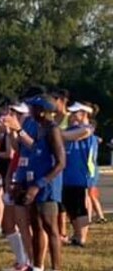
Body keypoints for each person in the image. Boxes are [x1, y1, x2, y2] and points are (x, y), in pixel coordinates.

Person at [3, 96, 66, 271]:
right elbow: (32, 152)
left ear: (41, 110)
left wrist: (38, 184)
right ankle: (37, 269)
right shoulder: (36, 128)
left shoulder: (52, 129)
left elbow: (61, 162)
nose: (29, 110)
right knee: (36, 226)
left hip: (46, 186)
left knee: (50, 228)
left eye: (32, 107)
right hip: (32, 183)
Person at [61, 102, 97, 247]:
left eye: (75, 113)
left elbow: (72, 135)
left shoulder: (88, 129)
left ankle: (81, 237)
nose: (72, 115)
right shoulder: (72, 129)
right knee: (70, 206)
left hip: (80, 175)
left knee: (79, 206)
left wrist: (56, 133)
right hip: (68, 174)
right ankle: (76, 234)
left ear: (84, 114)